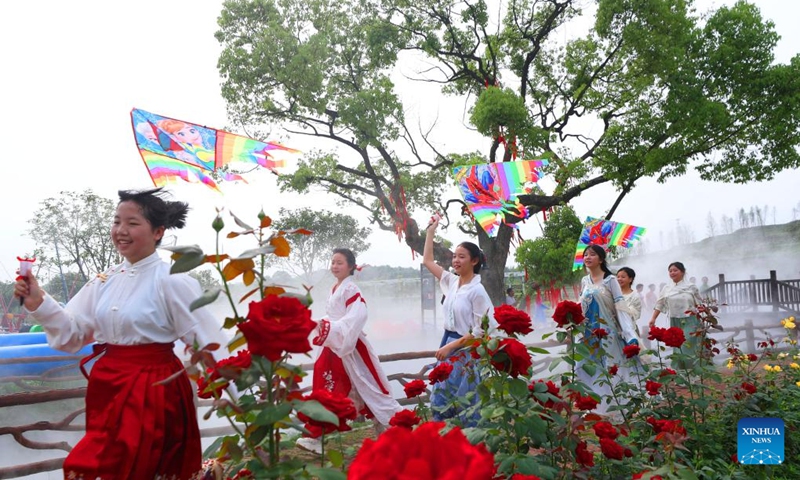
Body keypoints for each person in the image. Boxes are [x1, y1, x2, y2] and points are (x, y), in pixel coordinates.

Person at [14, 188, 224, 479]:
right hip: (108, 388)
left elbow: (209, 341)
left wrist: (245, 400)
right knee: (94, 464)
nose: (120, 231)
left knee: (139, 467)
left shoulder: (173, 280)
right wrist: (39, 301)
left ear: (158, 231)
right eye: (116, 222)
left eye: (132, 223)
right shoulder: (104, 280)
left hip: (155, 390)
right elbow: (73, 335)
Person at [297, 248, 402, 453]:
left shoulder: (351, 289)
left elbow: (357, 316)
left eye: (339, 262)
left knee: (368, 386)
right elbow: (335, 316)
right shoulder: (335, 288)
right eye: (333, 262)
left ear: (351, 266)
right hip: (335, 345)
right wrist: (324, 325)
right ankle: (317, 436)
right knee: (329, 387)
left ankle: (390, 426)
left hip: (349, 345)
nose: (334, 266)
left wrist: (332, 329)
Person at [422, 215, 494, 425]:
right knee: (442, 393)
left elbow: (481, 332)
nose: (456, 260)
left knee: (464, 396)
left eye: (461, 257)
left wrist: (452, 346)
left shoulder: (478, 291)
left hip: (465, 349)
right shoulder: (452, 282)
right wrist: (430, 232)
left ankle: (467, 441)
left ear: (474, 261)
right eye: (454, 256)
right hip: (448, 343)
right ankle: (444, 439)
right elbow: (427, 261)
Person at [577, 245, 640, 414]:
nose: (587, 257)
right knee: (587, 366)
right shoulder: (584, 281)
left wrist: (629, 334)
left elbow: (620, 307)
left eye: (592, 254)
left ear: (601, 259)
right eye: (585, 255)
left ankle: (619, 407)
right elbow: (581, 306)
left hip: (607, 332)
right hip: (588, 333)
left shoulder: (610, 280)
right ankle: (595, 406)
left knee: (611, 367)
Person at [648, 262, 704, 369]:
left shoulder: (691, 287)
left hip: (690, 320)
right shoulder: (667, 288)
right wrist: (653, 318)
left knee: (687, 346)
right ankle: (681, 374)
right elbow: (660, 303)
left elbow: (700, 304)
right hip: (675, 321)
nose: (672, 273)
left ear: (682, 272)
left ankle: (693, 373)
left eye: (675, 270)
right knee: (678, 347)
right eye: (670, 271)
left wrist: (705, 318)